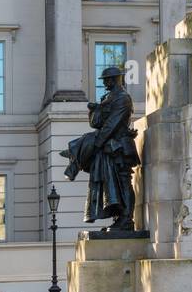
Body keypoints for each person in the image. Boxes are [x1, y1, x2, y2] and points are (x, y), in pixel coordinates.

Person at [60, 66, 140, 232]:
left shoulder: (123, 98)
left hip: (118, 147)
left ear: (116, 79)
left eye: (107, 79)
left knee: (123, 182)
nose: (105, 83)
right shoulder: (108, 97)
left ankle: (126, 220)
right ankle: (76, 157)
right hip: (108, 146)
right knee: (113, 183)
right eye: (104, 80)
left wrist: (96, 145)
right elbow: (95, 123)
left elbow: (111, 125)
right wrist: (95, 109)